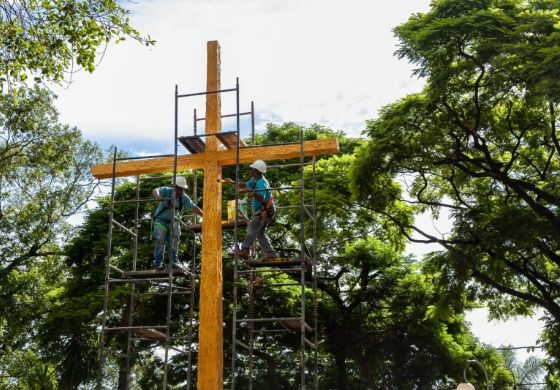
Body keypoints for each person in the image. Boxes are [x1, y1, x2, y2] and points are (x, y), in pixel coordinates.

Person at [224, 160, 278, 261]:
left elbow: (261, 198)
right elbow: (245, 185)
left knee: (252, 228)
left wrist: (251, 191)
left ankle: (245, 250)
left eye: (252, 169)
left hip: (264, 209)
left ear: (256, 170)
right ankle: (271, 254)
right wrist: (232, 182)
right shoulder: (254, 179)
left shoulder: (262, 183)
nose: (251, 170)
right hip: (264, 209)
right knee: (260, 233)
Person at [151, 176, 203, 270]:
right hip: (161, 220)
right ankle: (157, 263)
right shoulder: (166, 191)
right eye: (179, 188)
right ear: (174, 186)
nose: (181, 191)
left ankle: (174, 261)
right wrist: (157, 196)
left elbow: (194, 207)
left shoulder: (183, 197)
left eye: (182, 189)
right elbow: (155, 190)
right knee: (160, 241)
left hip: (174, 221)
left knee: (175, 239)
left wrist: (205, 216)